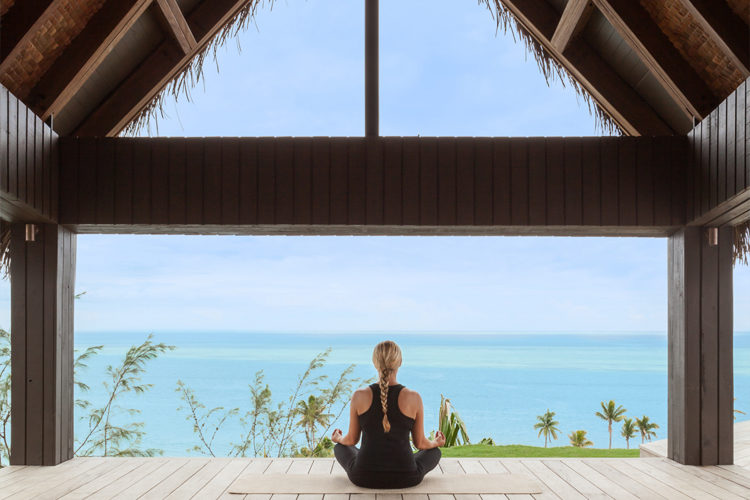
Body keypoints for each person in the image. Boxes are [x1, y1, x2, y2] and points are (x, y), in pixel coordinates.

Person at [331, 340, 445, 489]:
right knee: (434, 452)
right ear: (400, 362)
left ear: (374, 362)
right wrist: (436, 442)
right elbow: (420, 444)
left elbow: (351, 440)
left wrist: (338, 438)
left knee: (340, 447)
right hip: (407, 477)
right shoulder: (414, 397)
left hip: (363, 477)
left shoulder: (359, 395)